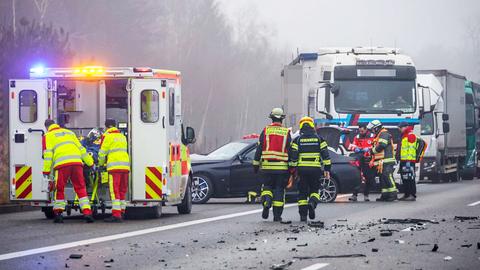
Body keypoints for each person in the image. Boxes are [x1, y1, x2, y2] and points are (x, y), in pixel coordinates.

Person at [42, 119, 95, 223]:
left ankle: (59, 213)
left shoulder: (48, 136)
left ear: (47, 127)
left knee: (60, 188)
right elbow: (82, 149)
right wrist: (90, 163)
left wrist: (46, 171)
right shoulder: (70, 133)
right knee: (80, 187)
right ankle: (87, 212)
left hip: (62, 165)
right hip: (77, 163)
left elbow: (48, 155)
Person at [253, 108, 293, 222]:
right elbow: (290, 151)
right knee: (279, 190)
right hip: (281, 169)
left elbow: (259, 149)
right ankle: (277, 216)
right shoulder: (286, 132)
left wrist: (255, 165)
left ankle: (266, 201)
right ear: (282, 119)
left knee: (267, 188)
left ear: (272, 118)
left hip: (267, 167)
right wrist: (292, 169)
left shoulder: (266, 131)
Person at [290, 117, 331, 222]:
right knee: (314, 190)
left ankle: (303, 216)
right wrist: (327, 170)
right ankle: (312, 203)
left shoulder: (297, 140)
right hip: (315, 170)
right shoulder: (319, 139)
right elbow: (326, 156)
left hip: (302, 171)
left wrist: (292, 170)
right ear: (312, 125)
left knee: (302, 193)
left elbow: (293, 157)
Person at [98, 119, 130, 222]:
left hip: (114, 167)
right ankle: (122, 211)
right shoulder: (122, 136)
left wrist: (100, 164)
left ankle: (116, 214)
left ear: (107, 126)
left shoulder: (107, 136)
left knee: (114, 190)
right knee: (122, 190)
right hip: (125, 166)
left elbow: (102, 153)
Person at [367, 120, 398, 202]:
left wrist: (372, 151)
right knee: (382, 178)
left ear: (376, 128)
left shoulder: (384, 134)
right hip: (381, 161)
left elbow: (382, 145)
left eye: (373, 129)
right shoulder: (379, 135)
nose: (372, 131)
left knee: (387, 176)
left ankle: (393, 194)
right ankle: (385, 195)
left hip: (387, 160)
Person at [396, 121, 426, 201]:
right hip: (404, 160)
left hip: (408, 161)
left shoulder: (410, 135)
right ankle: (406, 194)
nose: (399, 129)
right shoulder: (404, 135)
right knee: (404, 178)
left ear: (405, 127)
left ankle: (412, 195)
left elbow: (413, 147)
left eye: (400, 128)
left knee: (410, 178)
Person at [348, 122, 376, 202]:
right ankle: (354, 195)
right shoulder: (357, 137)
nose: (361, 132)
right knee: (357, 177)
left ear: (366, 129)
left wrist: (369, 149)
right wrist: (355, 149)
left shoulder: (372, 136)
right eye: (360, 131)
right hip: (359, 159)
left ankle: (366, 194)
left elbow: (375, 146)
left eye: (362, 131)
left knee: (369, 178)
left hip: (368, 160)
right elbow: (352, 146)